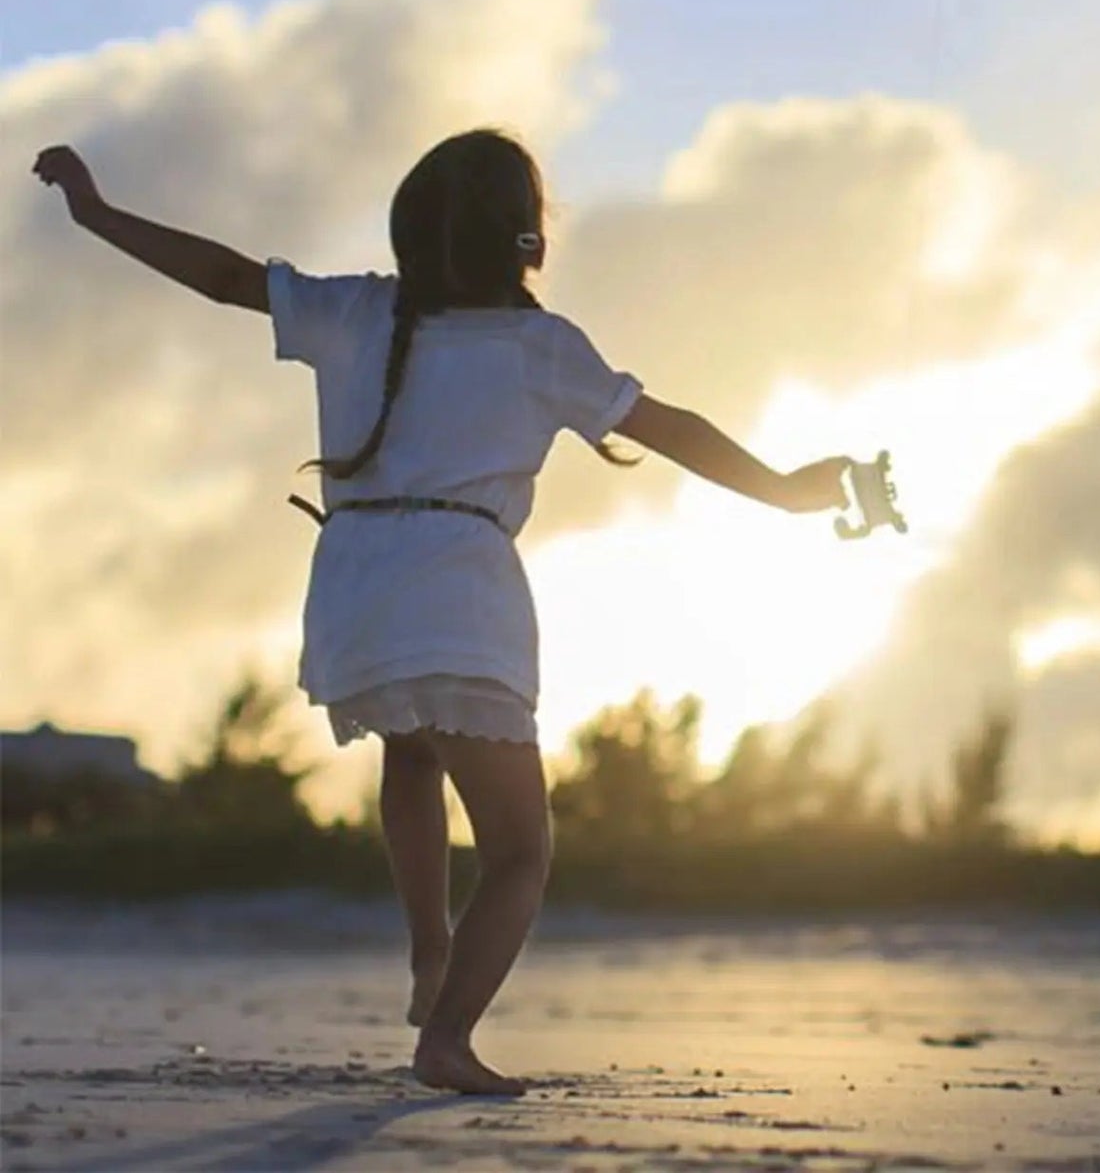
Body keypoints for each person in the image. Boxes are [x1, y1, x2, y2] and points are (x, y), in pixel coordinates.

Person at [32, 129, 849, 1097]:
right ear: (526, 241)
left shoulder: (355, 310)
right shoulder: (541, 346)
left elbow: (221, 275)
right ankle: (448, 1036)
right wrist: (787, 488)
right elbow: (671, 430)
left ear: (408, 233)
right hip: (459, 588)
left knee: (412, 752)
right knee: (518, 851)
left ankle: (428, 950)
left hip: (353, 583)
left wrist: (96, 213)